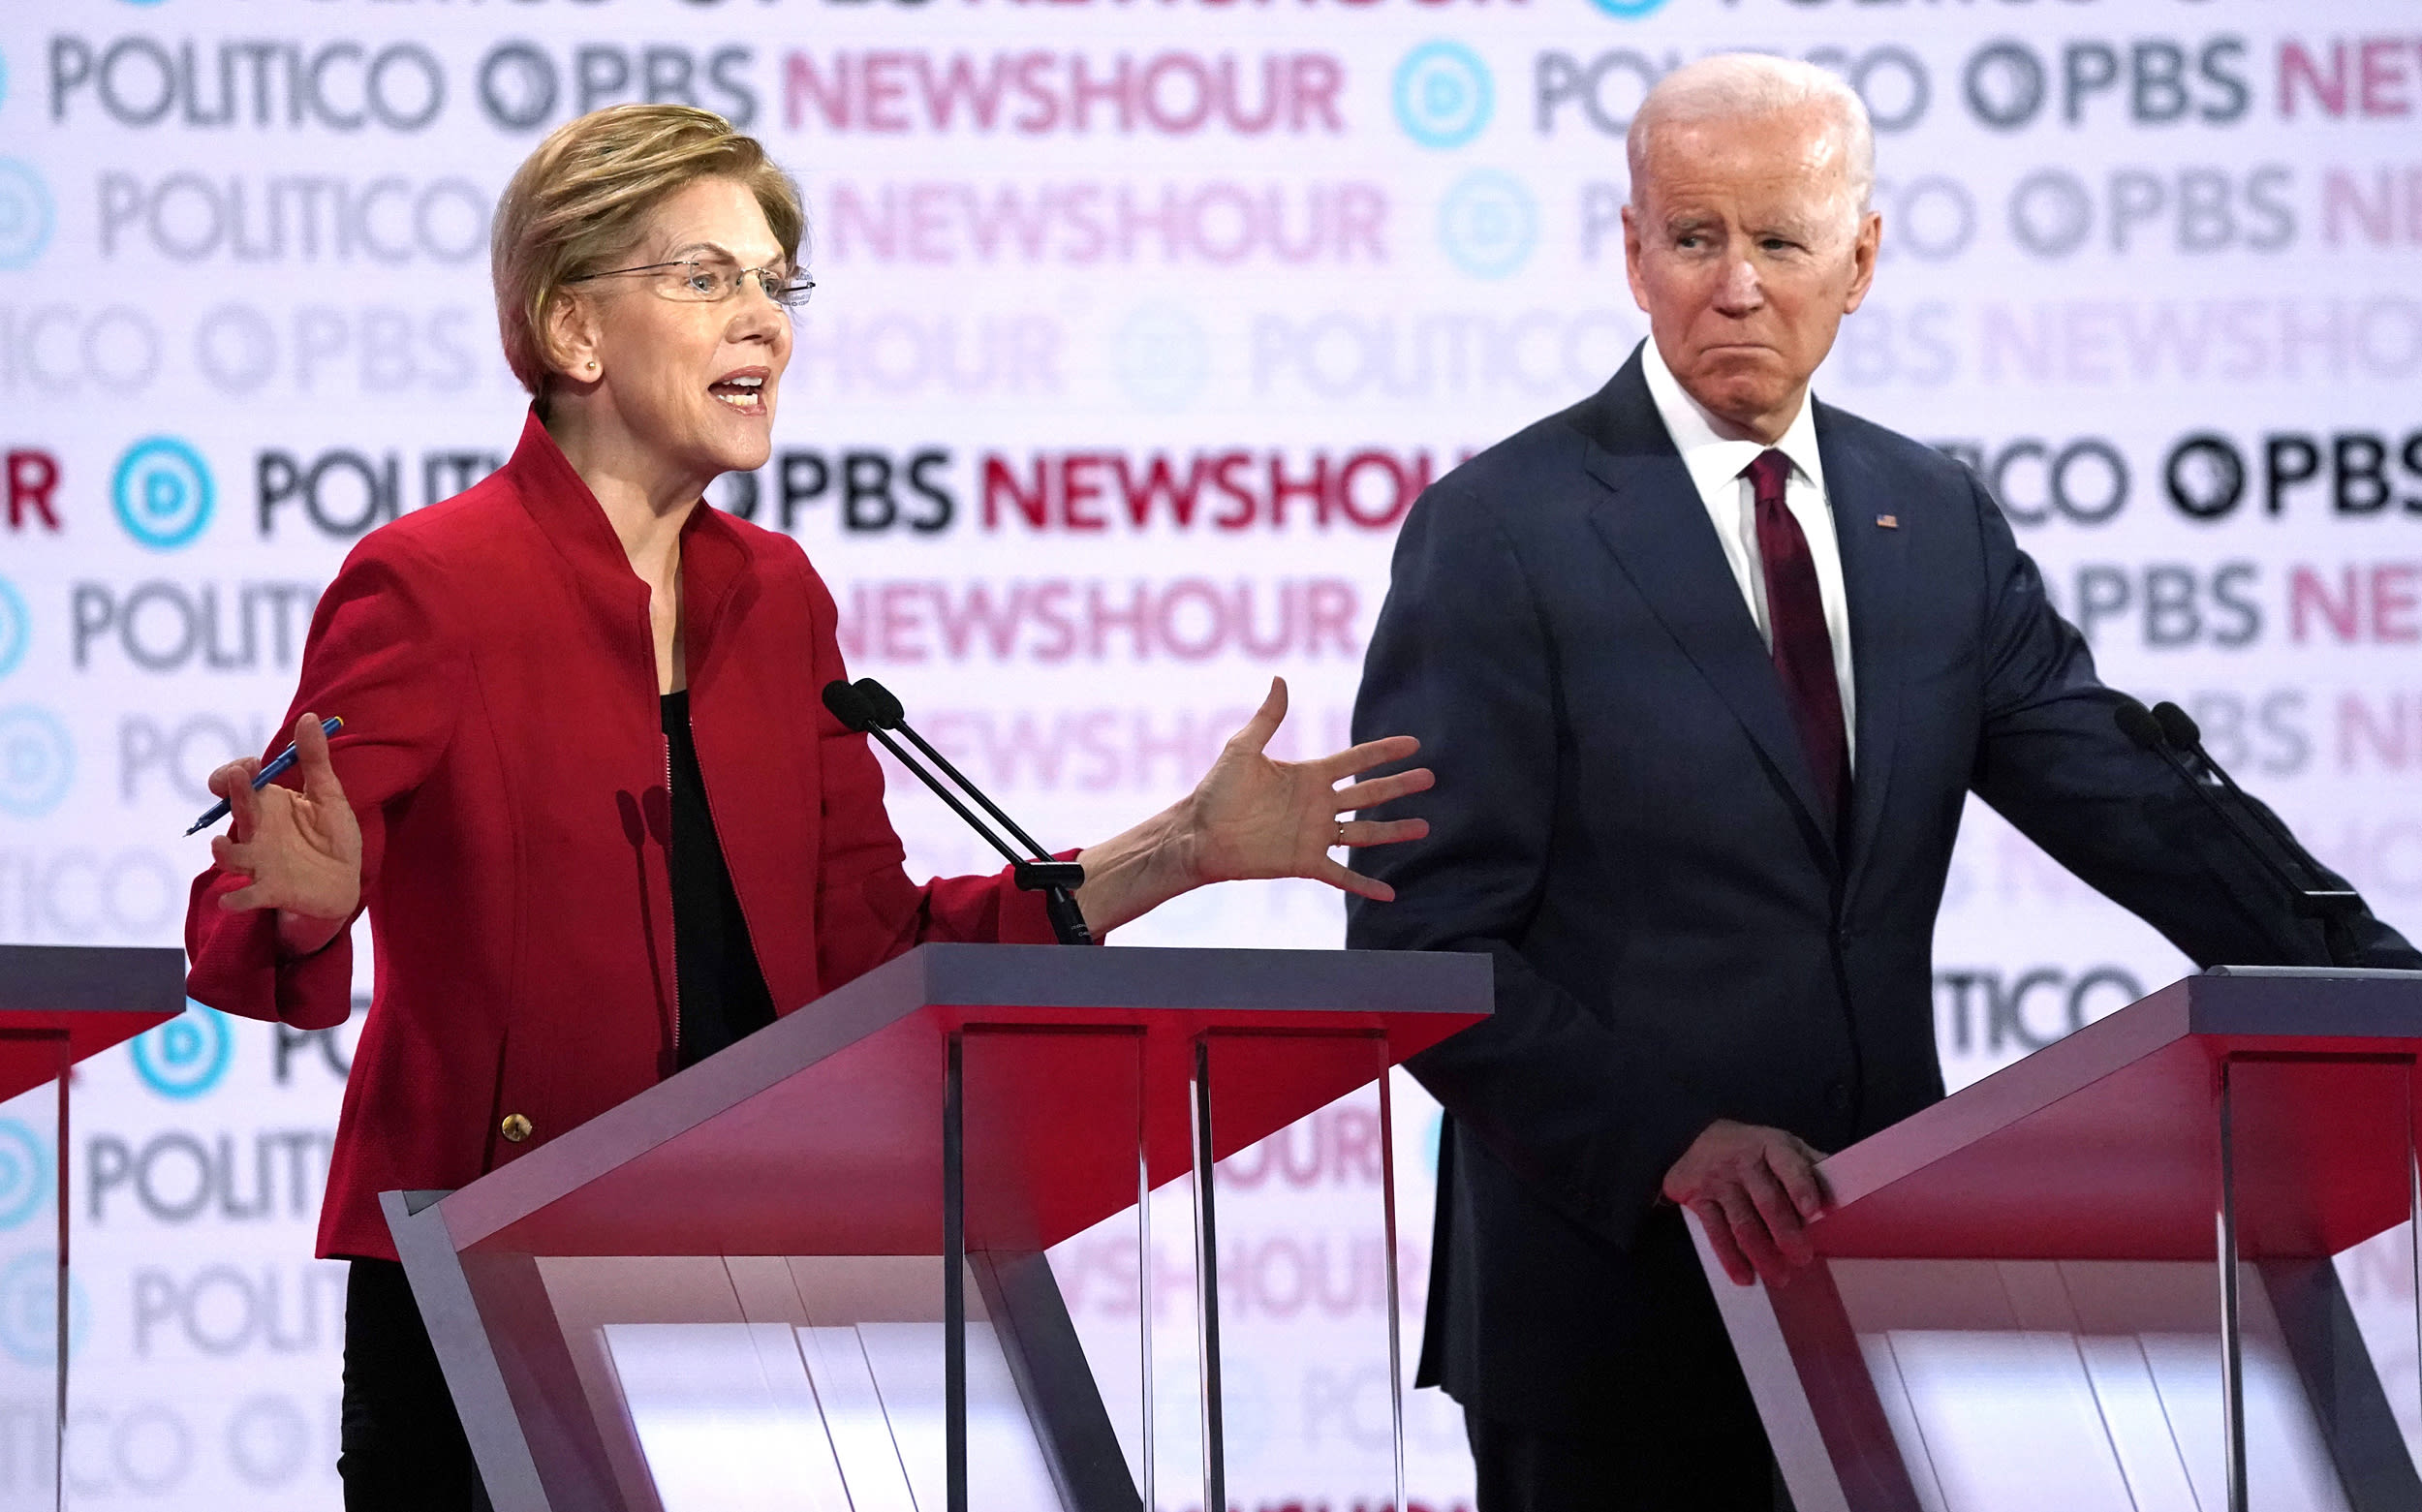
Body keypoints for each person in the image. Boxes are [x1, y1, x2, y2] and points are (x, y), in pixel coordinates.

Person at [181, 104, 1433, 1510]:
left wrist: (1178, 851)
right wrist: (304, 901)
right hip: (488, 1294)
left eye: (778, 282)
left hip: (753, 1279)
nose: (764, 320)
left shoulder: (777, 599)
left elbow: (865, 958)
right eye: (708, 278)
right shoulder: (428, 583)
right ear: (571, 326)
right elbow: (252, 906)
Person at [1344, 53, 2416, 1512]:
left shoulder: (1935, 522)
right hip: (1605, 1321)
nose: (1734, 284)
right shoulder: (1500, 532)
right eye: (1694, 236)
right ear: (1632, 250)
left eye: (1779, 241)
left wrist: (2372, 987)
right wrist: (1669, 1143)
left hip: (1878, 1290)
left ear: (1860, 260)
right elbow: (1423, 943)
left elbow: (2125, 792)